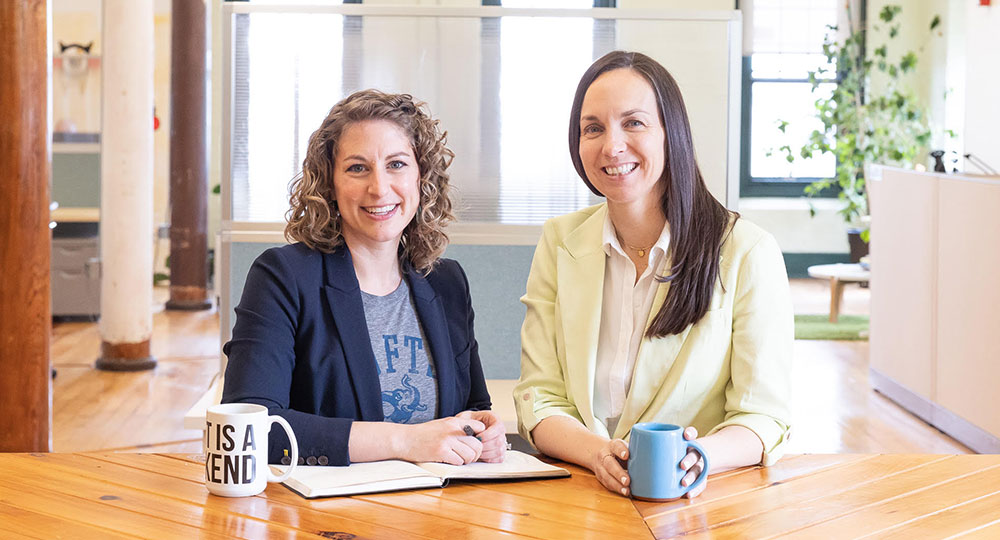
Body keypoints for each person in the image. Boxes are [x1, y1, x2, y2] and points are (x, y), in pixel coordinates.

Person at [513, 51, 793, 498]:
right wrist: (596, 453)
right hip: (580, 493)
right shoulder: (560, 241)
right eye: (593, 128)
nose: (612, 146)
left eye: (634, 123)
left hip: (697, 500)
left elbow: (764, 416)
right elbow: (538, 396)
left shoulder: (746, 251)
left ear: (671, 133)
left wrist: (694, 462)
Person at [223, 89, 506, 467]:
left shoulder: (446, 282)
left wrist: (483, 434)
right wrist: (406, 441)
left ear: (422, 178)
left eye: (397, 164)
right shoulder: (283, 278)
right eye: (358, 168)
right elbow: (251, 426)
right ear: (330, 183)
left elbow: (473, 407)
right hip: (327, 519)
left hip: (439, 515)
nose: (379, 187)